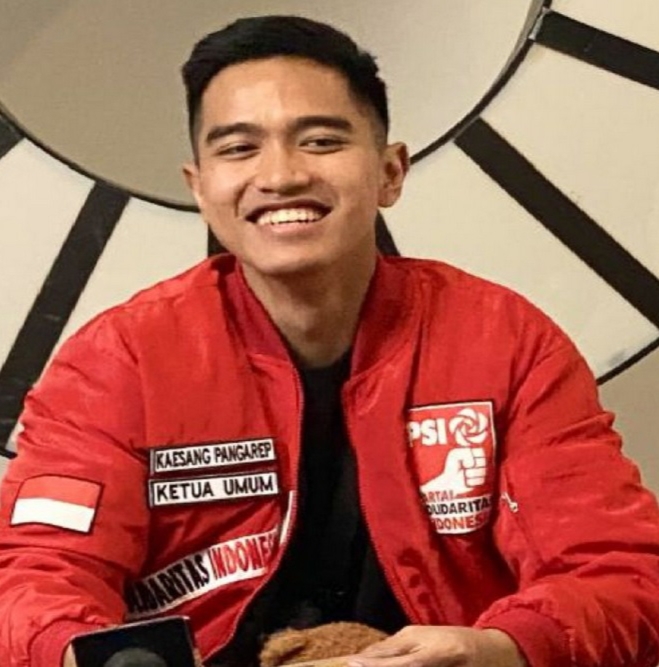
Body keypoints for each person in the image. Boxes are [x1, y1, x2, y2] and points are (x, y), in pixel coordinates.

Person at [0, 14, 658, 667]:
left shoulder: (505, 341)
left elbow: (619, 571)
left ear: (391, 172)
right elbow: (33, 578)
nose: (281, 175)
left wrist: (502, 648)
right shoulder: (120, 360)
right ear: (200, 188)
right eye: (239, 148)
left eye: (319, 141)